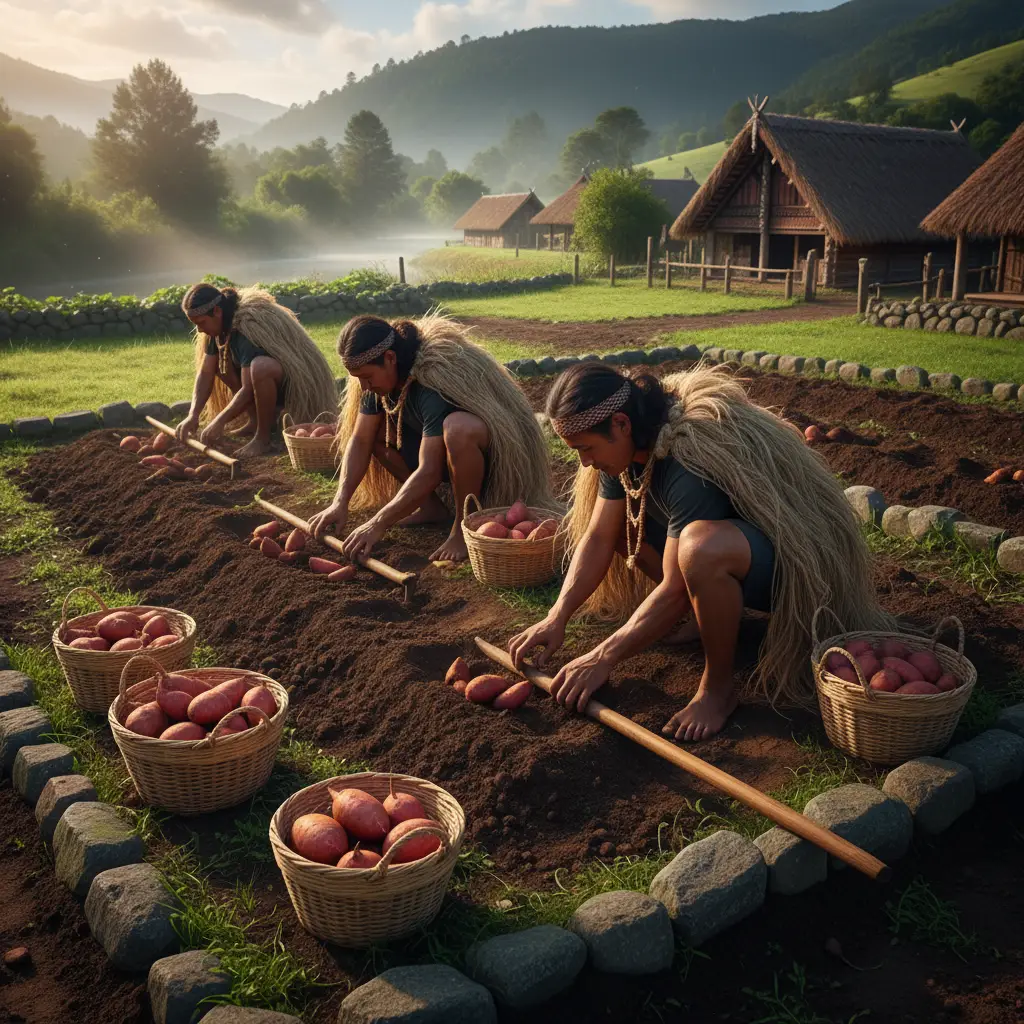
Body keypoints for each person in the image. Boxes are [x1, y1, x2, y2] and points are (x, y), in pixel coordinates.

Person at [509, 362, 890, 742]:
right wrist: (556, 616)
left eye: (587, 448)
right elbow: (597, 537)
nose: (585, 462)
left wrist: (602, 657)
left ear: (622, 424)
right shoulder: (623, 455)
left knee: (700, 548)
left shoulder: (689, 462)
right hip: (727, 553)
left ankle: (718, 690)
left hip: (786, 570)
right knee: (626, 526)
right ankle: (705, 614)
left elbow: (675, 585)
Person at [308, 312, 558, 563]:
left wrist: (377, 523)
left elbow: (428, 470)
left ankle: (463, 525)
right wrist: (339, 503)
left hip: (485, 460)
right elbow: (360, 440)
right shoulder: (379, 383)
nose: (364, 387)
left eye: (367, 377)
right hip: (437, 454)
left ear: (390, 358)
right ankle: (431, 507)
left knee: (457, 427)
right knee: (375, 439)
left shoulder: (432, 384)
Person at [176, 284, 337, 457]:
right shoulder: (217, 330)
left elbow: (247, 389)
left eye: (201, 323)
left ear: (216, 311)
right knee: (220, 365)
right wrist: (193, 415)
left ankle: (263, 438)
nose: (200, 330)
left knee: (260, 367)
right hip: (259, 386)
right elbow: (206, 372)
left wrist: (219, 421)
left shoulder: (247, 328)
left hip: (290, 389)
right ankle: (254, 422)